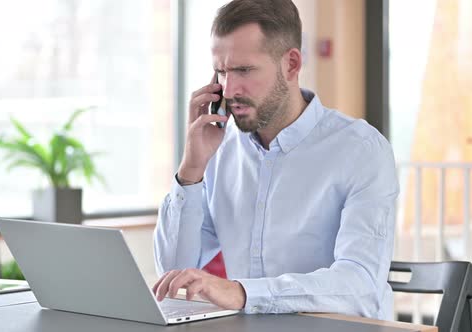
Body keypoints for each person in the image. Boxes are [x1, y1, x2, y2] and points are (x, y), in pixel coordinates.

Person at [152, 0, 399, 320]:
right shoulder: (220, 149)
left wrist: (242, 292)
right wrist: (191, 170)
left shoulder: (362, 151)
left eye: (244, 70)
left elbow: (360, 285)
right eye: (222, 71)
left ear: (291, 64)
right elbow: (173, 273)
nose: (229, 89)